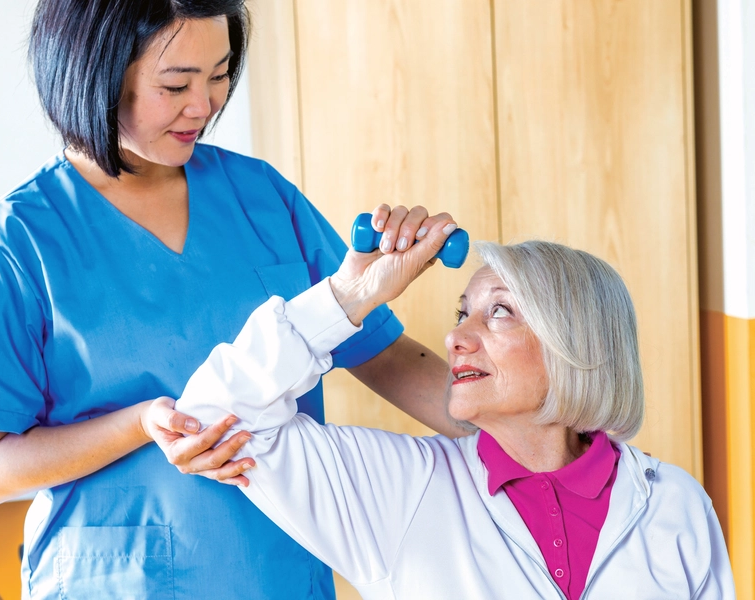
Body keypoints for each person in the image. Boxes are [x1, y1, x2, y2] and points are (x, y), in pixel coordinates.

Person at [0, 1, 464, 598]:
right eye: (176, 85)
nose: (204, 105)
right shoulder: (15, 242)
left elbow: (382, 352)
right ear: (97, 72)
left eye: (220, 75)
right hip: (113, 579)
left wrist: (532, 437)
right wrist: (142, 425)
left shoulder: (262, 198)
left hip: (275, 571)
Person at [167, 227, 735, 599]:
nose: (456, 336)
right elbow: (214, 413)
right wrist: (350, 295)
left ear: (576, 345)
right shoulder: (398, 490)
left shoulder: (672, 503)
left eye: (500, 313)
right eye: (463, 313)